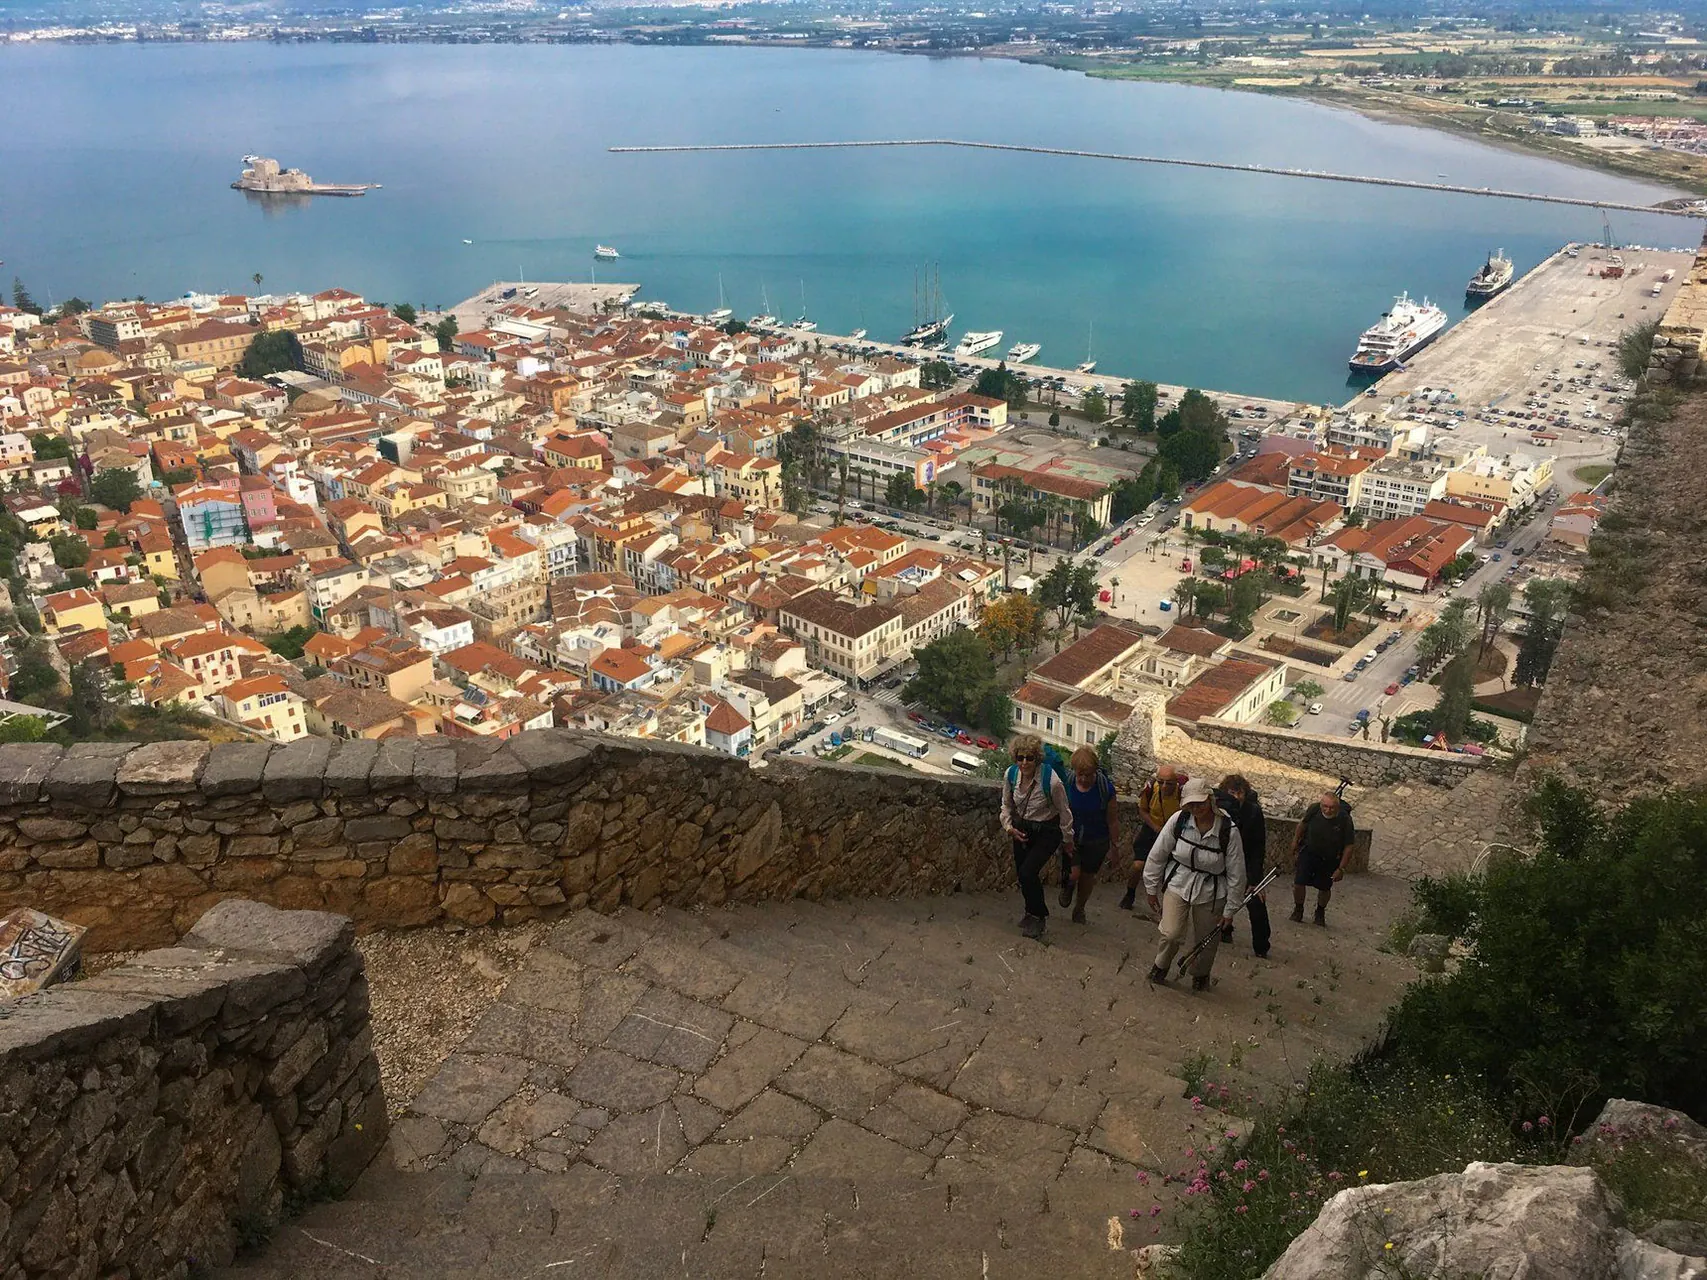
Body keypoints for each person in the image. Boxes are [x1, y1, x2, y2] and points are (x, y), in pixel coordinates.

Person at [1143, 778, 1246, 991]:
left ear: (1210, 800)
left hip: (1212, 889)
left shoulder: (1228, 830)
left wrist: (1230, 909)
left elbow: (1237, 872)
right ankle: (1160, 965)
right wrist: (1151, 887)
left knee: (1206, 940)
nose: (1196, 808)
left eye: (1200, 803)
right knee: (1171, 933)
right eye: (1191, 804)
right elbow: (1158, 853)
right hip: (1179, 881)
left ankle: (1200, 974)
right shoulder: (1179, 820)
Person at [999, 734, 1074, 939]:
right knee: (1022, 874)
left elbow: (1065, 811)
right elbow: (1006, 804)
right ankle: (1029, 912)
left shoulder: (1052, 781)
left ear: (1037, 759)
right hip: (1021, 829)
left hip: (1047, 831)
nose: (1024, 763)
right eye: (1020, 758)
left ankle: (1039, 917)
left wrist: (1068, 840)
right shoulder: (1011, 775)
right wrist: (1008, 827)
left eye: (1029, 758)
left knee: (1028, 872)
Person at [1057, 746, 1118, 925]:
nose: (1083, 779)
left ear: (1095, 771)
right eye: (1080, 774)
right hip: (1071, 837)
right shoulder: (1067, 783)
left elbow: (1112, 820)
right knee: (1074, 873)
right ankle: (1067, 887)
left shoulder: (1105, 789)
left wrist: (1115, 847)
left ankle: (1080, 908)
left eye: (1088, 774)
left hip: (1096, 840)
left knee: (1087, 877)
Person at [1215, 774, 1270, 959]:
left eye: (1240, 793)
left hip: (1246, 861)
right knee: (1219, 895)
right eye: (1232, 792)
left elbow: (1258, 847)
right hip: (1222, 860)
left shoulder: (1253, 812)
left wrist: (1255, 879)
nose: (1236, 797)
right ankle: (1225, 929)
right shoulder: (1218, 809)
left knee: (1255, 901)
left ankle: (1261, 946)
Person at [1119, 763, 1186, 911]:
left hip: (1174, 834)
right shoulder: (1150, 788)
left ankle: (1168, 907)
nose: (1163, 787)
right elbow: (1142, 810)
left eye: (1168, 783)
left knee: (1172, 872)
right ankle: (1130, 893)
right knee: (1138, 866)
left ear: (1176, 781)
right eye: (1160, 782)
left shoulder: (1183, 792)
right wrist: (1155, 827)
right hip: (1152, 829)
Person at [1290, 788, 1357, 926]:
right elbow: (1302, 824)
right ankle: (1298, 909)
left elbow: (1349, 846)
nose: (1328, 810)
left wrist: (1341, 868)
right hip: (1308, 852)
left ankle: (1320, 912)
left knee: (1325, 888)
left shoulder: (1345, 819)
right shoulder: (1314, 810)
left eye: (1331, 807)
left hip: (1329, 858)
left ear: (1337, 807)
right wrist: (1295, 841)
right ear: (1320, 805)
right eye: (1325, 806)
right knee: (1299, 882)